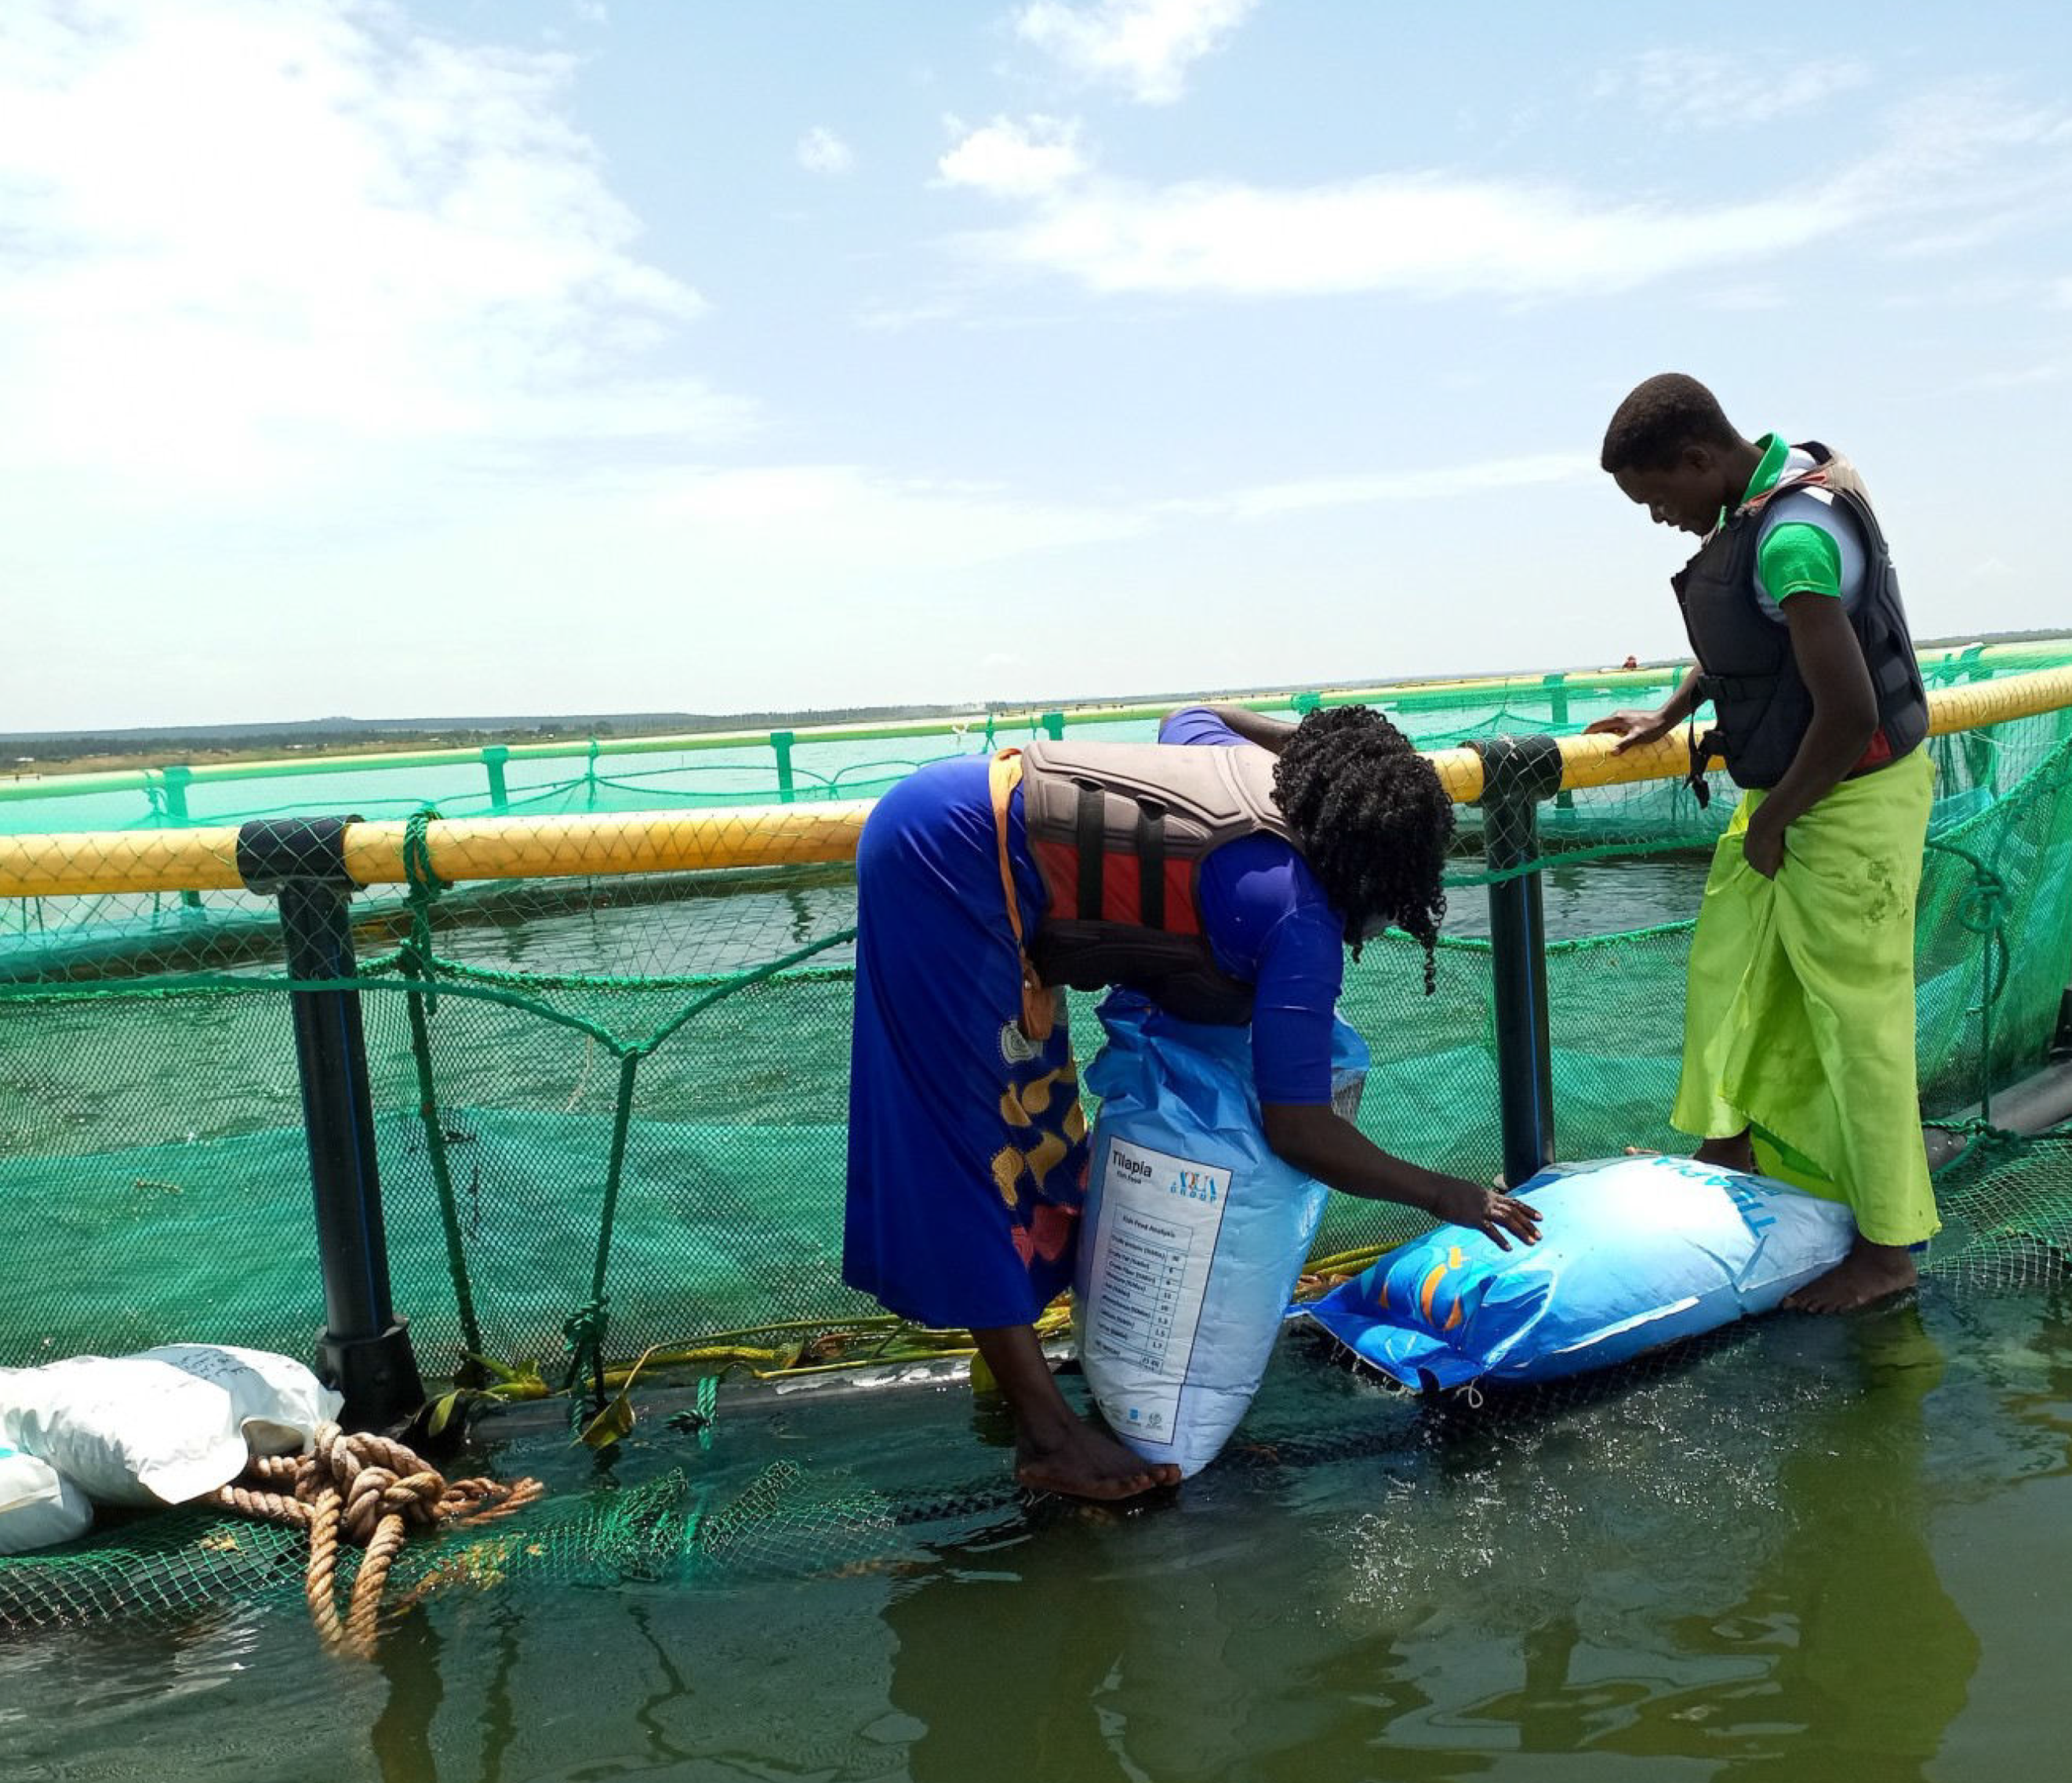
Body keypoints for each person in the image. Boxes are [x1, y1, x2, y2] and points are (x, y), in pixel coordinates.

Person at [844, 703, 1541, 1501]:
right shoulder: (1299, 918)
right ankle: (1046, 1435)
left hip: (969, 817)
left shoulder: (1266, 787)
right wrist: (1443, 1193)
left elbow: (1193, 715)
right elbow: (1299, 1130)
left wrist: (1314, 745)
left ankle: (1015, 1350)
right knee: (972, 1146)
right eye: (1399, 895)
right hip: (944, 862)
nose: (1390, 918)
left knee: (1037, 1123)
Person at [1587, 372, 1936, 1313]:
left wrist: (1775, 820)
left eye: (1658, 496)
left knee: (1857, 1018)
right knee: (1730, 960)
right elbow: (1750, 640)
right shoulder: (1753, 507)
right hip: (1792, 787)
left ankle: (1886, 1243)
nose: (1659, 518)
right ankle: (1728, 1142)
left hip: (1847, 792)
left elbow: (1848, 707)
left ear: (1700, 459)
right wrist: (1668, 712)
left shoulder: (1789, 537)